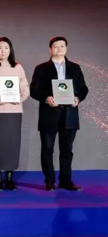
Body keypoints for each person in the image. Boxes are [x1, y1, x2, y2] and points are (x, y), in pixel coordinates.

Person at [30, 36, 88, 191]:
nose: (59, 49)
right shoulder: (41, 68)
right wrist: (46, 98)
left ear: (66, 48)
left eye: (62, 46)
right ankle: (49, 180)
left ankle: (65, 180)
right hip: (49, 112)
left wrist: (78, 98)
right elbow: (33, 90)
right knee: (47, 148)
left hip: (69, 113)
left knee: (67, 149)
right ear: (50, 49)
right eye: (56, 46)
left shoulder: (75, 68)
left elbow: (83, 88)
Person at [0, 37, 30, 191]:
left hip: (14, 112)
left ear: (10, 50)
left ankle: (9, 178)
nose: (3, 51)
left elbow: (25, 87)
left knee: (12, 145)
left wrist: (21, 97)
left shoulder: (18, 67)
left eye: (6, 48)